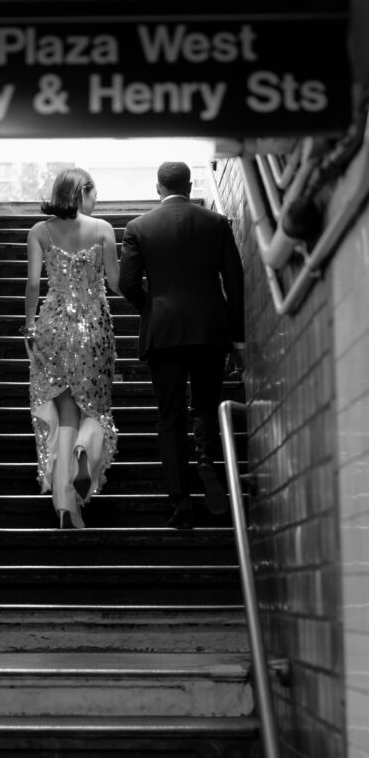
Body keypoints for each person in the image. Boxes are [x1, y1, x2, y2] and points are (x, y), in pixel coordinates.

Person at [118, 161, 245, 529]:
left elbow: (127, 284)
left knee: (169, 415)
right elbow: (234, 282)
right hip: (210, 330)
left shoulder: (137, 227)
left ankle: (181, 502)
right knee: (205, 406)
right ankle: (206, 460)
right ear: (190, 186)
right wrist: (237, 338)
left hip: (163, 334)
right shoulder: (216, 223)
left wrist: (153, 311)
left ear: (158, 187)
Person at [24, 168, 120, 529]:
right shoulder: (103, 230)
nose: (97, 202)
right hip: (94, 327)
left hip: (53, 324)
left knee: (65, 410)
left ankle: (65, 505)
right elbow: (113, 281)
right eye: (94, 194)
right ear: (84, 192)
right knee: (94, 404)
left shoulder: (39, 232)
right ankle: (85, 449)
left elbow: (34, 284)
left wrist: (30, 325)